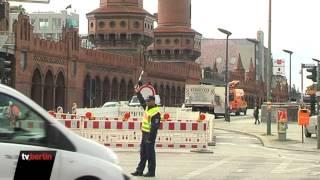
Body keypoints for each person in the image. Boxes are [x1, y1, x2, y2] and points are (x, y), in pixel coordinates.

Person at [131, 86, 161, 177]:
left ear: (153, 101)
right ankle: (139, 170)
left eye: (149, 101)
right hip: (144, 134)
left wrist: (150, 139)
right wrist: (138, 93)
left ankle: (151, 172)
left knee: (150, 155)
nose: (147, 102)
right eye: (147, 101)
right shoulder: (147, 108)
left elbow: (154, 127)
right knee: (143, 154)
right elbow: (141, 102)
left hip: (149, 136)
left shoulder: (156, 112)